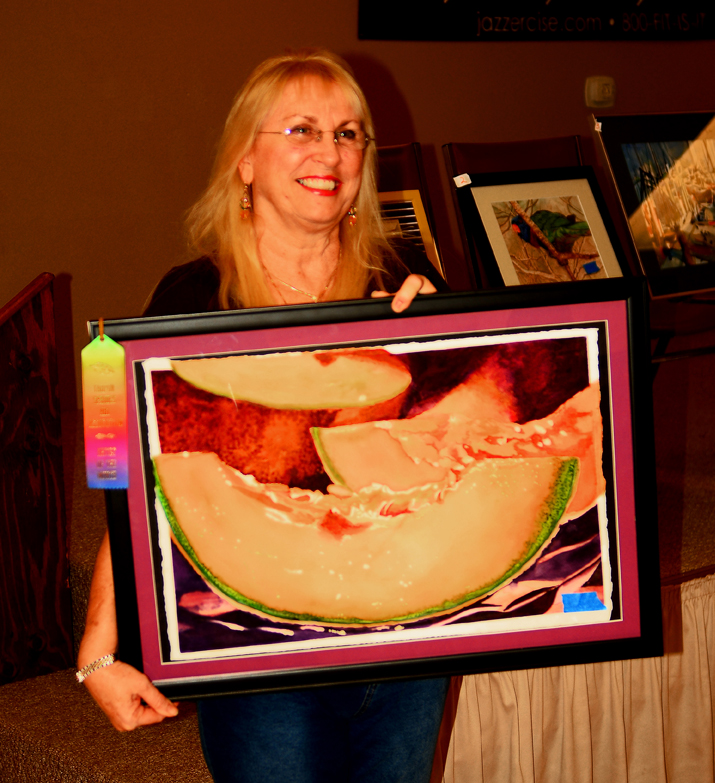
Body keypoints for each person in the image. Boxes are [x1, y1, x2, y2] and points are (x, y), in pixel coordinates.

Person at [78, 48, 450, 783]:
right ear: (244, 160)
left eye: (348, 133)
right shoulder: (188, 298)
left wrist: (447, 347)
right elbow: (123, 472)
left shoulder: (406, 281)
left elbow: (455, 459)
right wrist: (99, 648)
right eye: (301, 130)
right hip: (257, 645)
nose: (329, 152)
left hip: (404, 632)